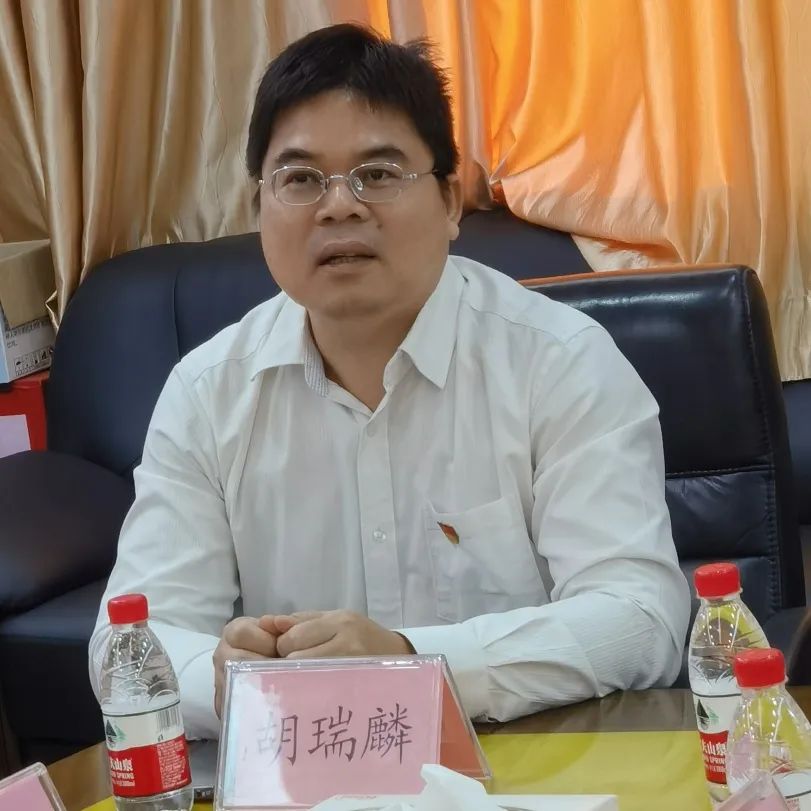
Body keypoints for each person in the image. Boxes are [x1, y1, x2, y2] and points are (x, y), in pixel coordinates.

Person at [89, 23, 690, 740]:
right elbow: (129, 645)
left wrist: (411, 663)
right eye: (300, 179)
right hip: (303, 766)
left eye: (377, 174)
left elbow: (639, 617)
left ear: (449, 201)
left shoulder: (559, 362)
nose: (339, 206)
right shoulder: (206, 393)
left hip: (531, 764)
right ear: (257, 211)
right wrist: (219, 680)